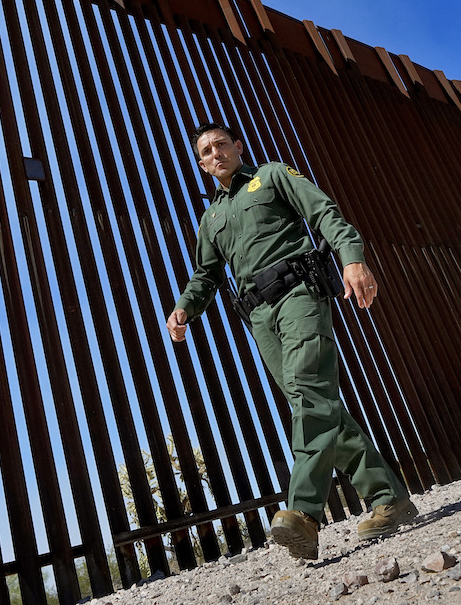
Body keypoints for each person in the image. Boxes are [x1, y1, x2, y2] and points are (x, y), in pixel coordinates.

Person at [165, 122, 416, 560]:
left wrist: (352, 259)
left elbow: (324, 213)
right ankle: (389, 499)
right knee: (312, 403)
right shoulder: (211, 219)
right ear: (201, 164)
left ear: (237, 147)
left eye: (221, 144)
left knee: (308, 391)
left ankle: (302, 513)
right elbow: (206, 274)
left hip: (299, 292)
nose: (216, 153)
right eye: (206, 150)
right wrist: (185, 306)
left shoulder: (274, 175)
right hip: (259, 316)